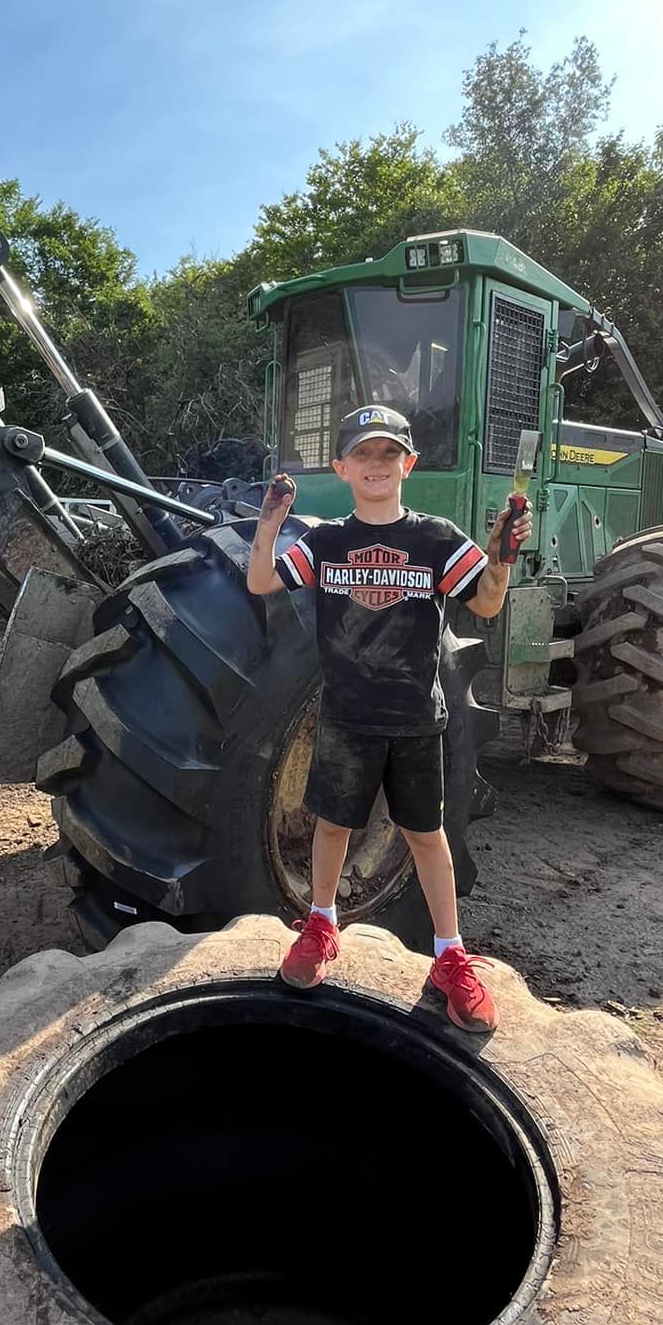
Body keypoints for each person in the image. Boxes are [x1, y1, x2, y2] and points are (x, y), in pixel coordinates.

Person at [246, 404, 532, 1031]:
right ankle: (321, 927)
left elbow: (484, 605)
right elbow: (262, 582)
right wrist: (269, 524)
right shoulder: (324, 542)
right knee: (331, 829)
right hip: (346, 719)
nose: (376, 465)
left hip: (416, 723)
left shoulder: (435, 539)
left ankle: (450, 955)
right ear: (341, 466)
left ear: (408, 464)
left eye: (387, 454)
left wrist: (501, 555)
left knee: (427, 838)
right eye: (363, 455)